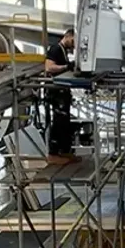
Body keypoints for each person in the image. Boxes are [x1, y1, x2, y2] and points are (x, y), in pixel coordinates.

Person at [44, 29, 76, 163]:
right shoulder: (55, 49)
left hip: (62, 90)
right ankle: (53, 153)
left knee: (64, 121)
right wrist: (66, 67)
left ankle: (64, 151)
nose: (74, 45)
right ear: (67, 36)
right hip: (56, 91)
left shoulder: (64, 51)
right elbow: (49, 67)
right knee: (58, 121)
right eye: (73, 41)